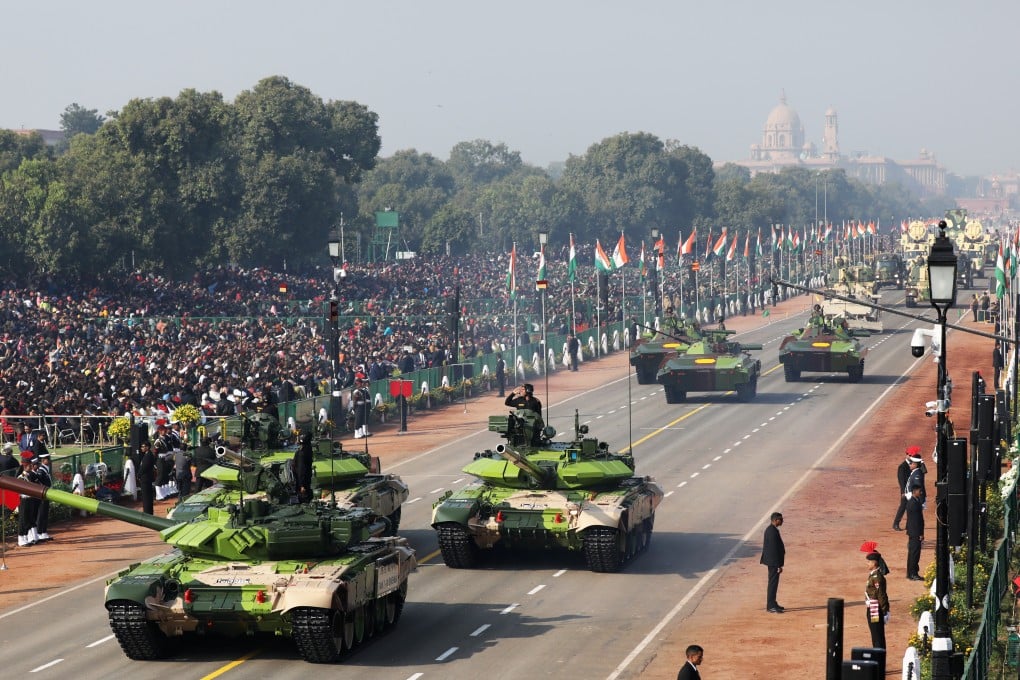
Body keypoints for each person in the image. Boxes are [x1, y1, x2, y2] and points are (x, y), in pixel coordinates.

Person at [760, 511, 785, 613]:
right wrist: (778, 565)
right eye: (781, 519)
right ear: (775, 520)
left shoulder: (772, 530)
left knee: (774, 583)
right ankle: (770, 605)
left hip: (773, 562)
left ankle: (773, 603)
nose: (782, 521)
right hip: (773, 562)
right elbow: (774, 550)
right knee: (772, 584)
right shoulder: (772, 532)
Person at [865, 551, 890, 649]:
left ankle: (878, 654)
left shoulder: (877, 577)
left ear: (874, 563)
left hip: (875, 608)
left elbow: (881, 595)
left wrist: (884, 611)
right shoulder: (874, 575)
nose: (867, 564)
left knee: (877, 634)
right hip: (872, 606)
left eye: (869, 562)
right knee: (875, 634)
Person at [892, 445, 920, 531]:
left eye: (912, 455)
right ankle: (896, 523)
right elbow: (901, 480)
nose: (911, 457)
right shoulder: (902, 466)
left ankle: (909, 525)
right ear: (906, 455)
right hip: (906, 490)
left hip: (913, 489)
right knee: (903, 506)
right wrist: (903, 492)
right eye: (910, 455)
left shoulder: (915, 464)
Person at [905, 484, 925, 581]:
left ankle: (911, 573)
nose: (920, 492)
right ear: (914, 491)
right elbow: (916, 520)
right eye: (919, 490)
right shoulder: (913, 503)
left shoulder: (914, 501)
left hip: (913, 532)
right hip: (915, 532)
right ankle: (913, 573)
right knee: (914, 554)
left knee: (913, 553)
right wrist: (920, 533)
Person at [34, 452, 52, 541]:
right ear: (43, 460)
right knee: (41, 513)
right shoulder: (41, 471)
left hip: (47, 494)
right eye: (47, 459)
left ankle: (43, 531)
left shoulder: (45, 470)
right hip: (42, 495)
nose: (49, 461)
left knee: (45, 513)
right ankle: (39, 532)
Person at [293, 432, 314, 503]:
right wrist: (302, 485)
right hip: (302, 481)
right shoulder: (302, 453)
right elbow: (300, 469)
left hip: (306, 478)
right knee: (304, 498)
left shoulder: (306, 450)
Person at [136, 440, 156, 515]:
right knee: (146, 496)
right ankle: (148, 511)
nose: (141, 448)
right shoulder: (147, 455)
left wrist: (138, 475)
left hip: (146, 478)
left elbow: (144, 467)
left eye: (143, 446)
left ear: (147, 447)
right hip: (146, 478)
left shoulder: (148, 456)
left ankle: (147, 512)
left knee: (146, 496)